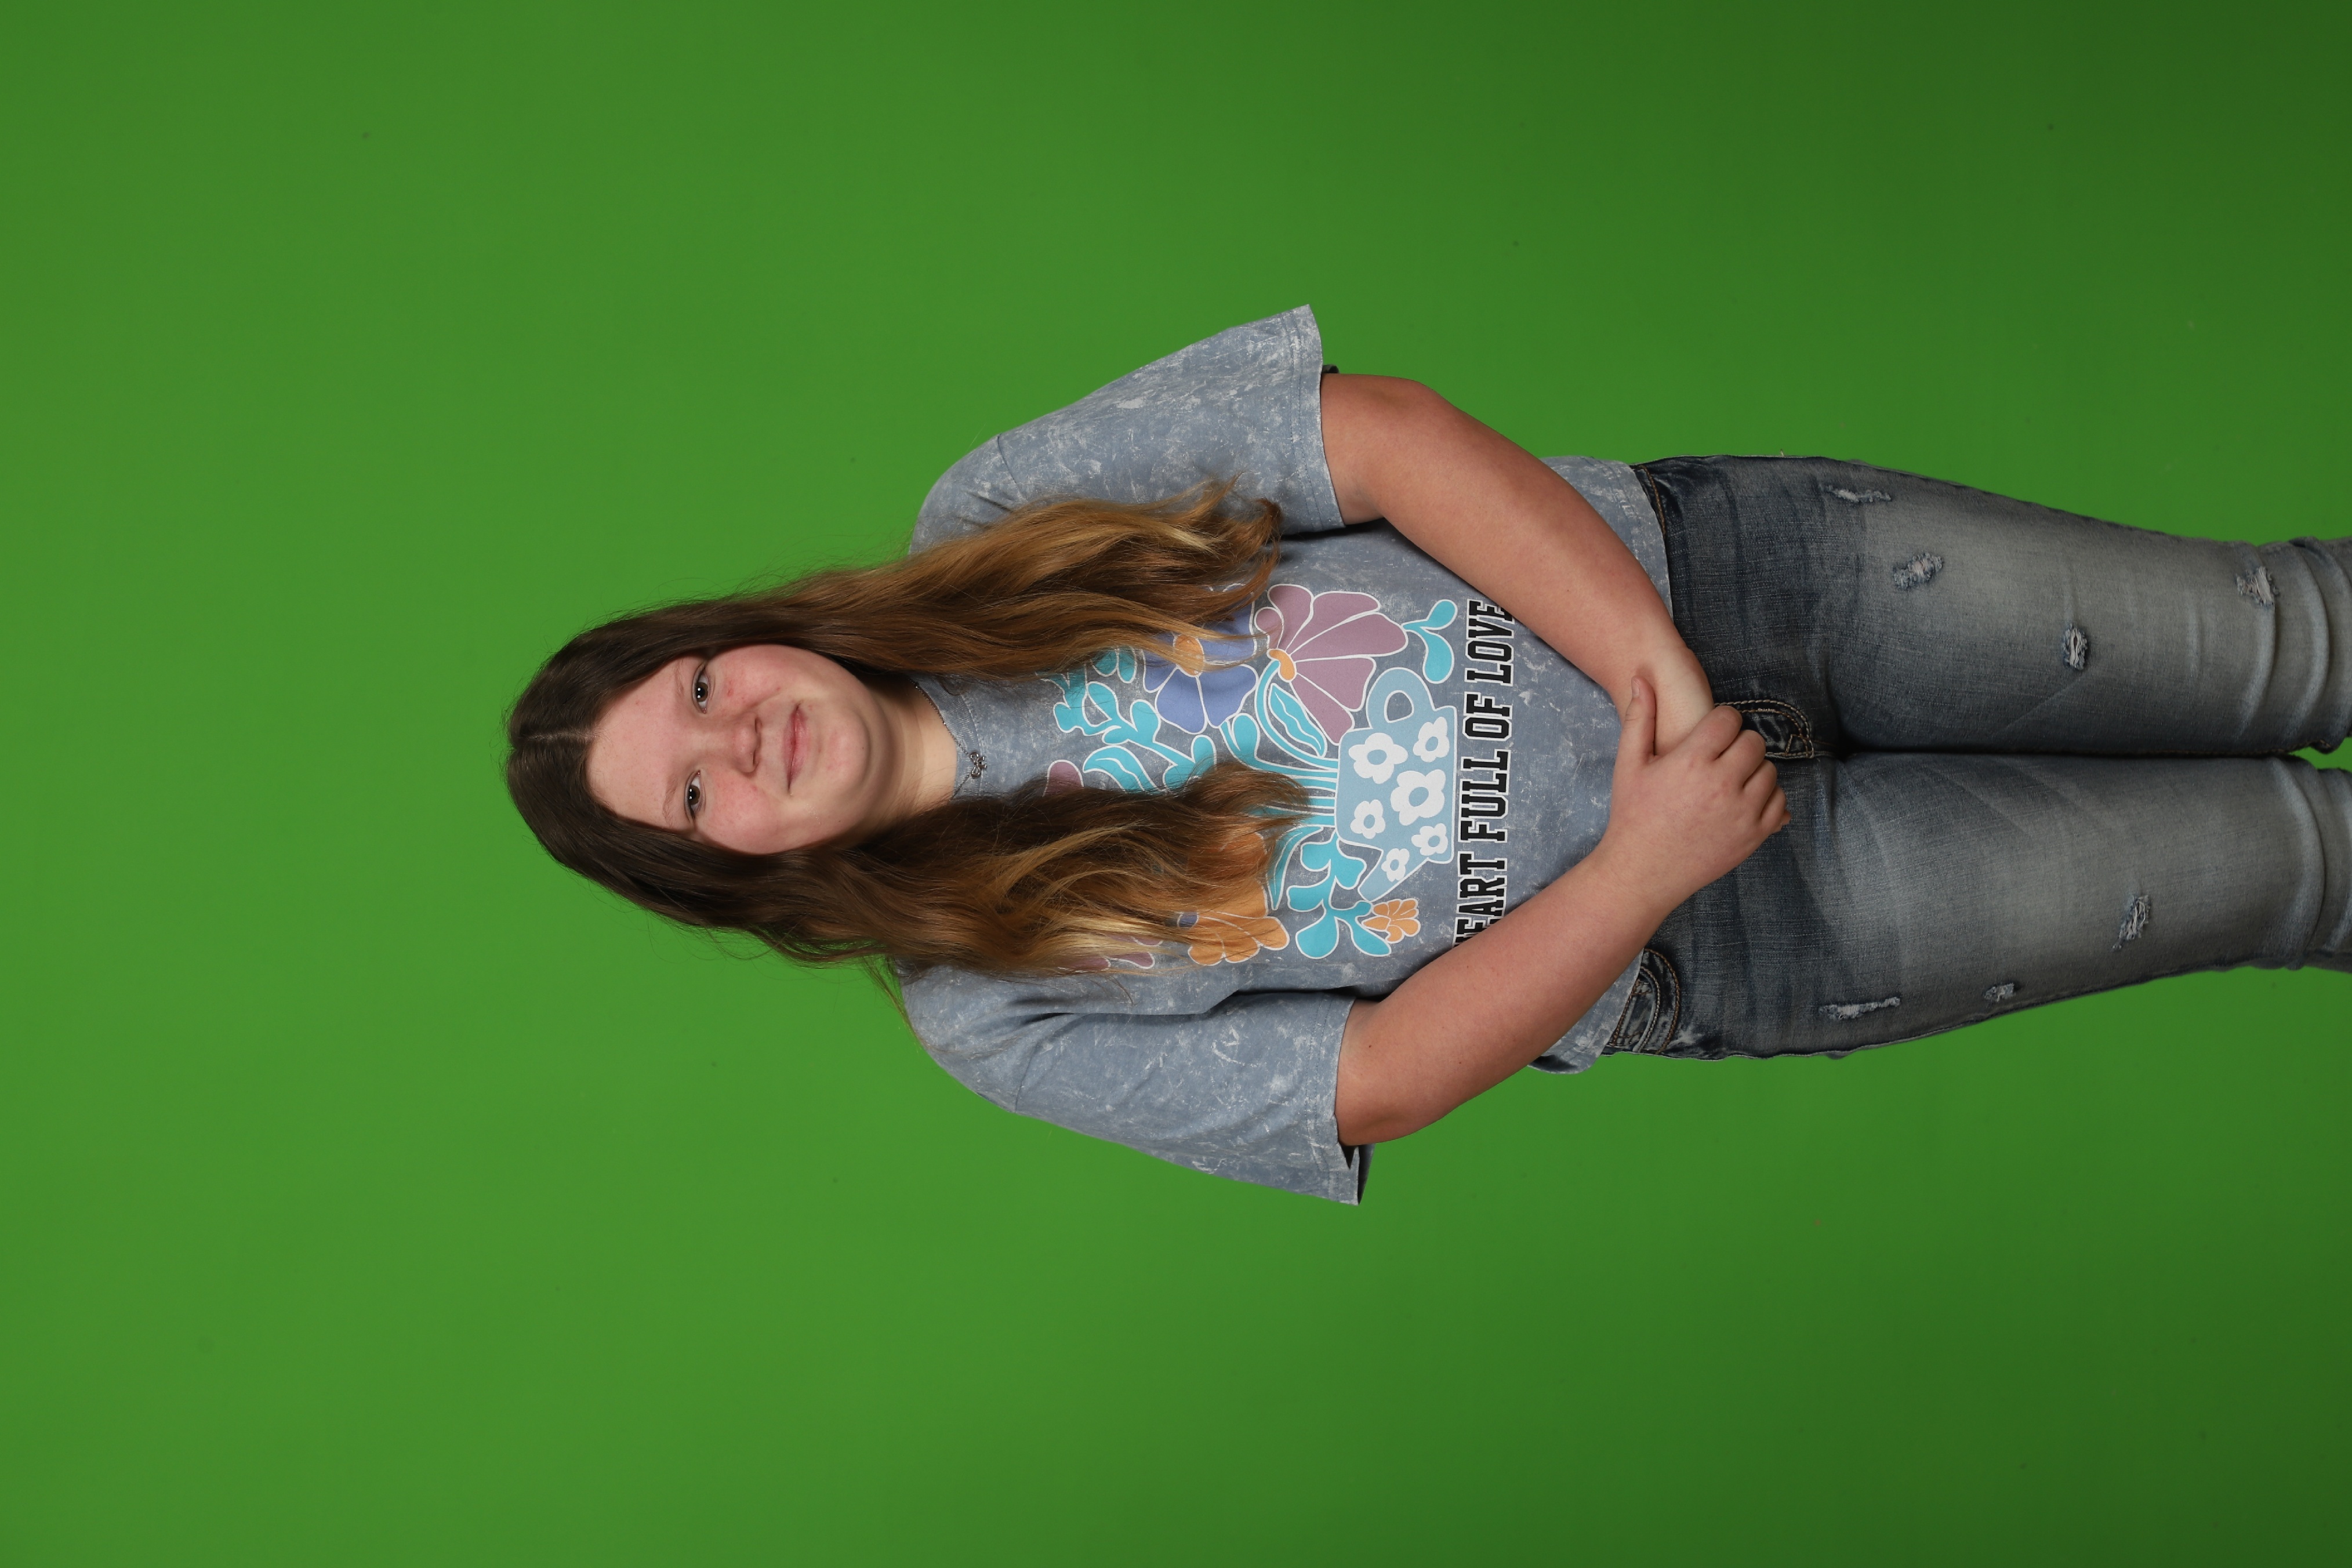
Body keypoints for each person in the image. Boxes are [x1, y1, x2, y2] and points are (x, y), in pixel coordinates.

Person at [507, 307, 2352, 1204]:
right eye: (696, 791)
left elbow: (1376, 439)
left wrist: (1653, 670)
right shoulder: (991, 1015)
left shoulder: (987, 515)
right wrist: (1642, 867)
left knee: (2287, 632)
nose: (740, 737)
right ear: (725, 868)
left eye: (699, 688)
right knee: (2290, 870)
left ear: (731, 633)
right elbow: (1369, 1080)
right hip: (1732, 922)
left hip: (1731, 585)